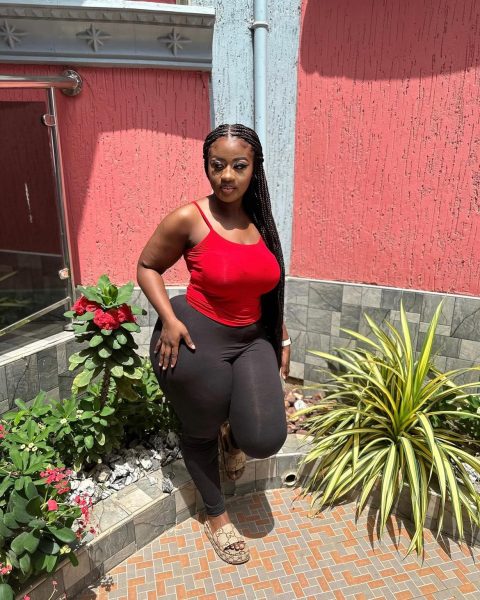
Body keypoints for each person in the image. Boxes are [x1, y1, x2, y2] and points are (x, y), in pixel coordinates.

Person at [137, 123, 290, 565]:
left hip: (251, 336)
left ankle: (233, 437)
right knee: (200, 427)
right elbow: (147, 266)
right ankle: (216, 515)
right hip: (198, 332)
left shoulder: (261, 220)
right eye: (217, 165)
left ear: (254, 169)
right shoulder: (190, 218)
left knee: (264, 437)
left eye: (238, 166)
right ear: (206, 166)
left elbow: (267, 287)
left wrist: (281, 334)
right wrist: (169, 320)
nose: (226, 175)